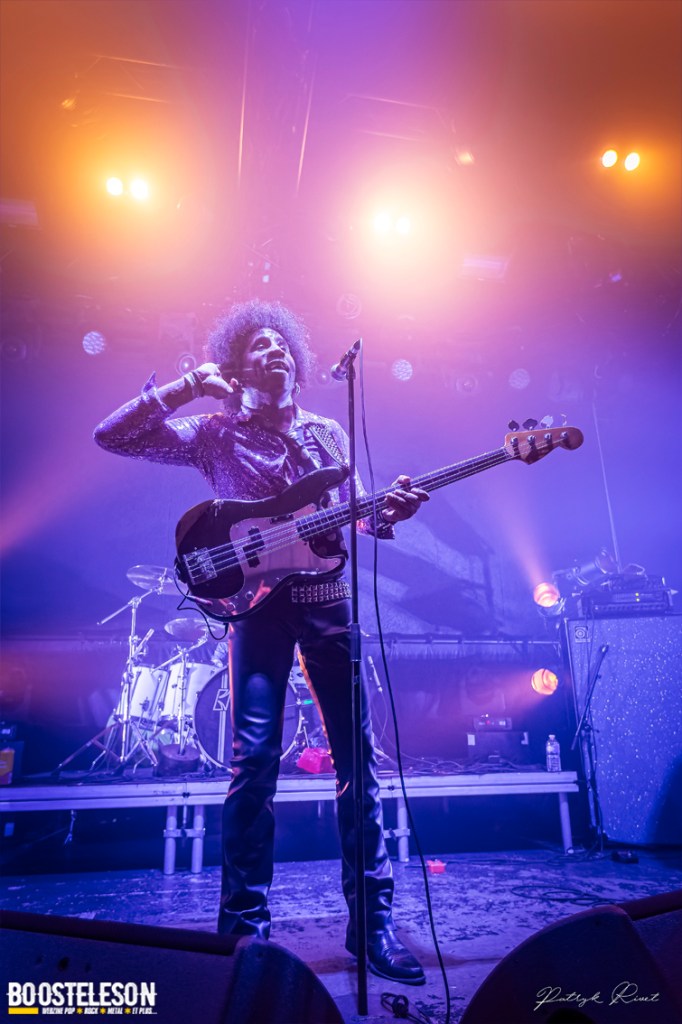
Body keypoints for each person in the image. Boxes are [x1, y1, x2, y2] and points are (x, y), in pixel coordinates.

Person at [94, 299, 429, 984]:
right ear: (238, 365)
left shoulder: (328, 433)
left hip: (329, 604)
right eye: (259, 345)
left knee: (359, 765)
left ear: (297, 362)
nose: (274, 350)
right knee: (252, 767)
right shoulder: (215, 433)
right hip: (256, 612)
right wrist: (190, 384)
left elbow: (358, 517)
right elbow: (113, 436)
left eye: (282, 343)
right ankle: (244, 935)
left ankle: (373, 926)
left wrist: (388, 512)